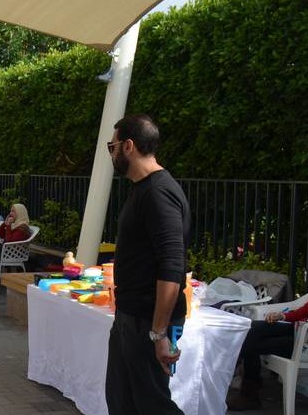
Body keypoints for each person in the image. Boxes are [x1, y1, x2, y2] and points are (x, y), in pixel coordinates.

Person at [104, 114, 189, 415]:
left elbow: (172, 267)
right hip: (131, 316)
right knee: (121, 401)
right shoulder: (143, 188)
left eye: (112, 146)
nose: (111, 154)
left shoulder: (158, 193)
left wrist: (158, 332)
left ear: (128, 146)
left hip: (146, 321)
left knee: (152, 405)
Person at [228, 262, 308, 410]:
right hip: (298, 332)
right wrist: (283, 316)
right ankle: (244, 382)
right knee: (252, 328)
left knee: (251, 344)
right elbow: (302, 312)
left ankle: (248, 392)